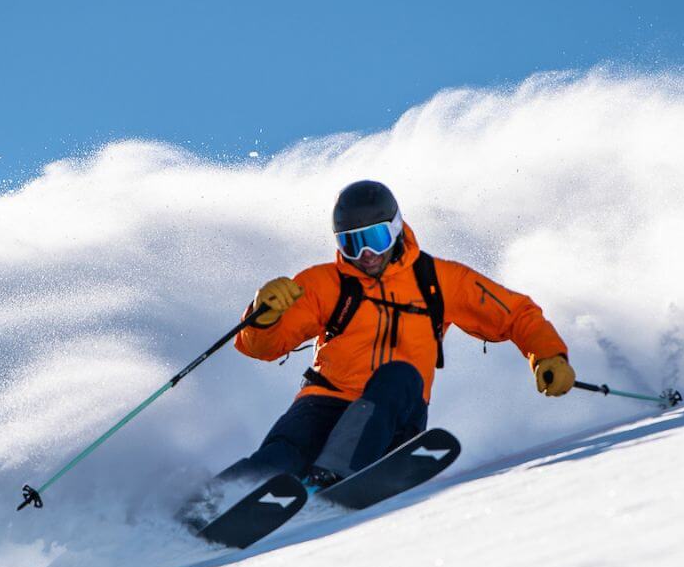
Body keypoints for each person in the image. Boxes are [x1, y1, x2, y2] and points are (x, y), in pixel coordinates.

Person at [204, 180, 575, 496]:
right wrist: (263, 318)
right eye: (353, 244)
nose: (366, 254)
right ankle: (208, 508)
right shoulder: (322, 283)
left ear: (396, 228)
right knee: (281, 455)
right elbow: (261, 347)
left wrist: (547, 354)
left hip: (393, 416)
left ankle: (333, 477)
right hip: (325, 402)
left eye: (375, 238)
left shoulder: (439, 280)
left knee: (399, 375)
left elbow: (515, 313)